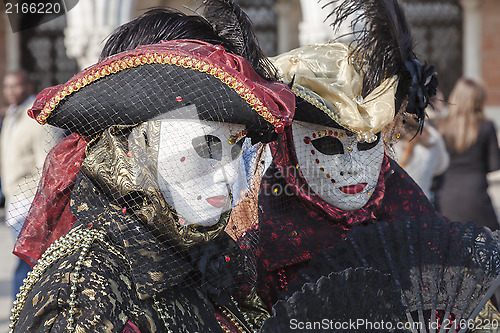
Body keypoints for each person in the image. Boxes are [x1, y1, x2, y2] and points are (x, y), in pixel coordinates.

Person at [8, 11, 295, 333]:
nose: (231, 176)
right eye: (205, 145)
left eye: (236, 146)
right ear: (131, 143)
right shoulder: (87, 286)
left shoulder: (206, 253)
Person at [0, 71, 63, 300]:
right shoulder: (12, 115)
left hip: (31, 200)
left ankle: (24, 313)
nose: (11, 91)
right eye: (6, 87)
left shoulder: (37, 118)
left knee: (27, 262)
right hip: (14, 198)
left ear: (28, 85)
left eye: (16, 86)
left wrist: (43, 204)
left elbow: (49, 164)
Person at [438, 78, 500, 231]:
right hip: (476, 198)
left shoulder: (440, 126)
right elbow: (494, 166)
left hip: (445, 198)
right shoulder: (486, 126)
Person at [393, 114, 449, 203]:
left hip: (391, 209)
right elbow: (440, 166)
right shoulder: (431, 135)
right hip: (422, 207)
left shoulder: (382, 140)